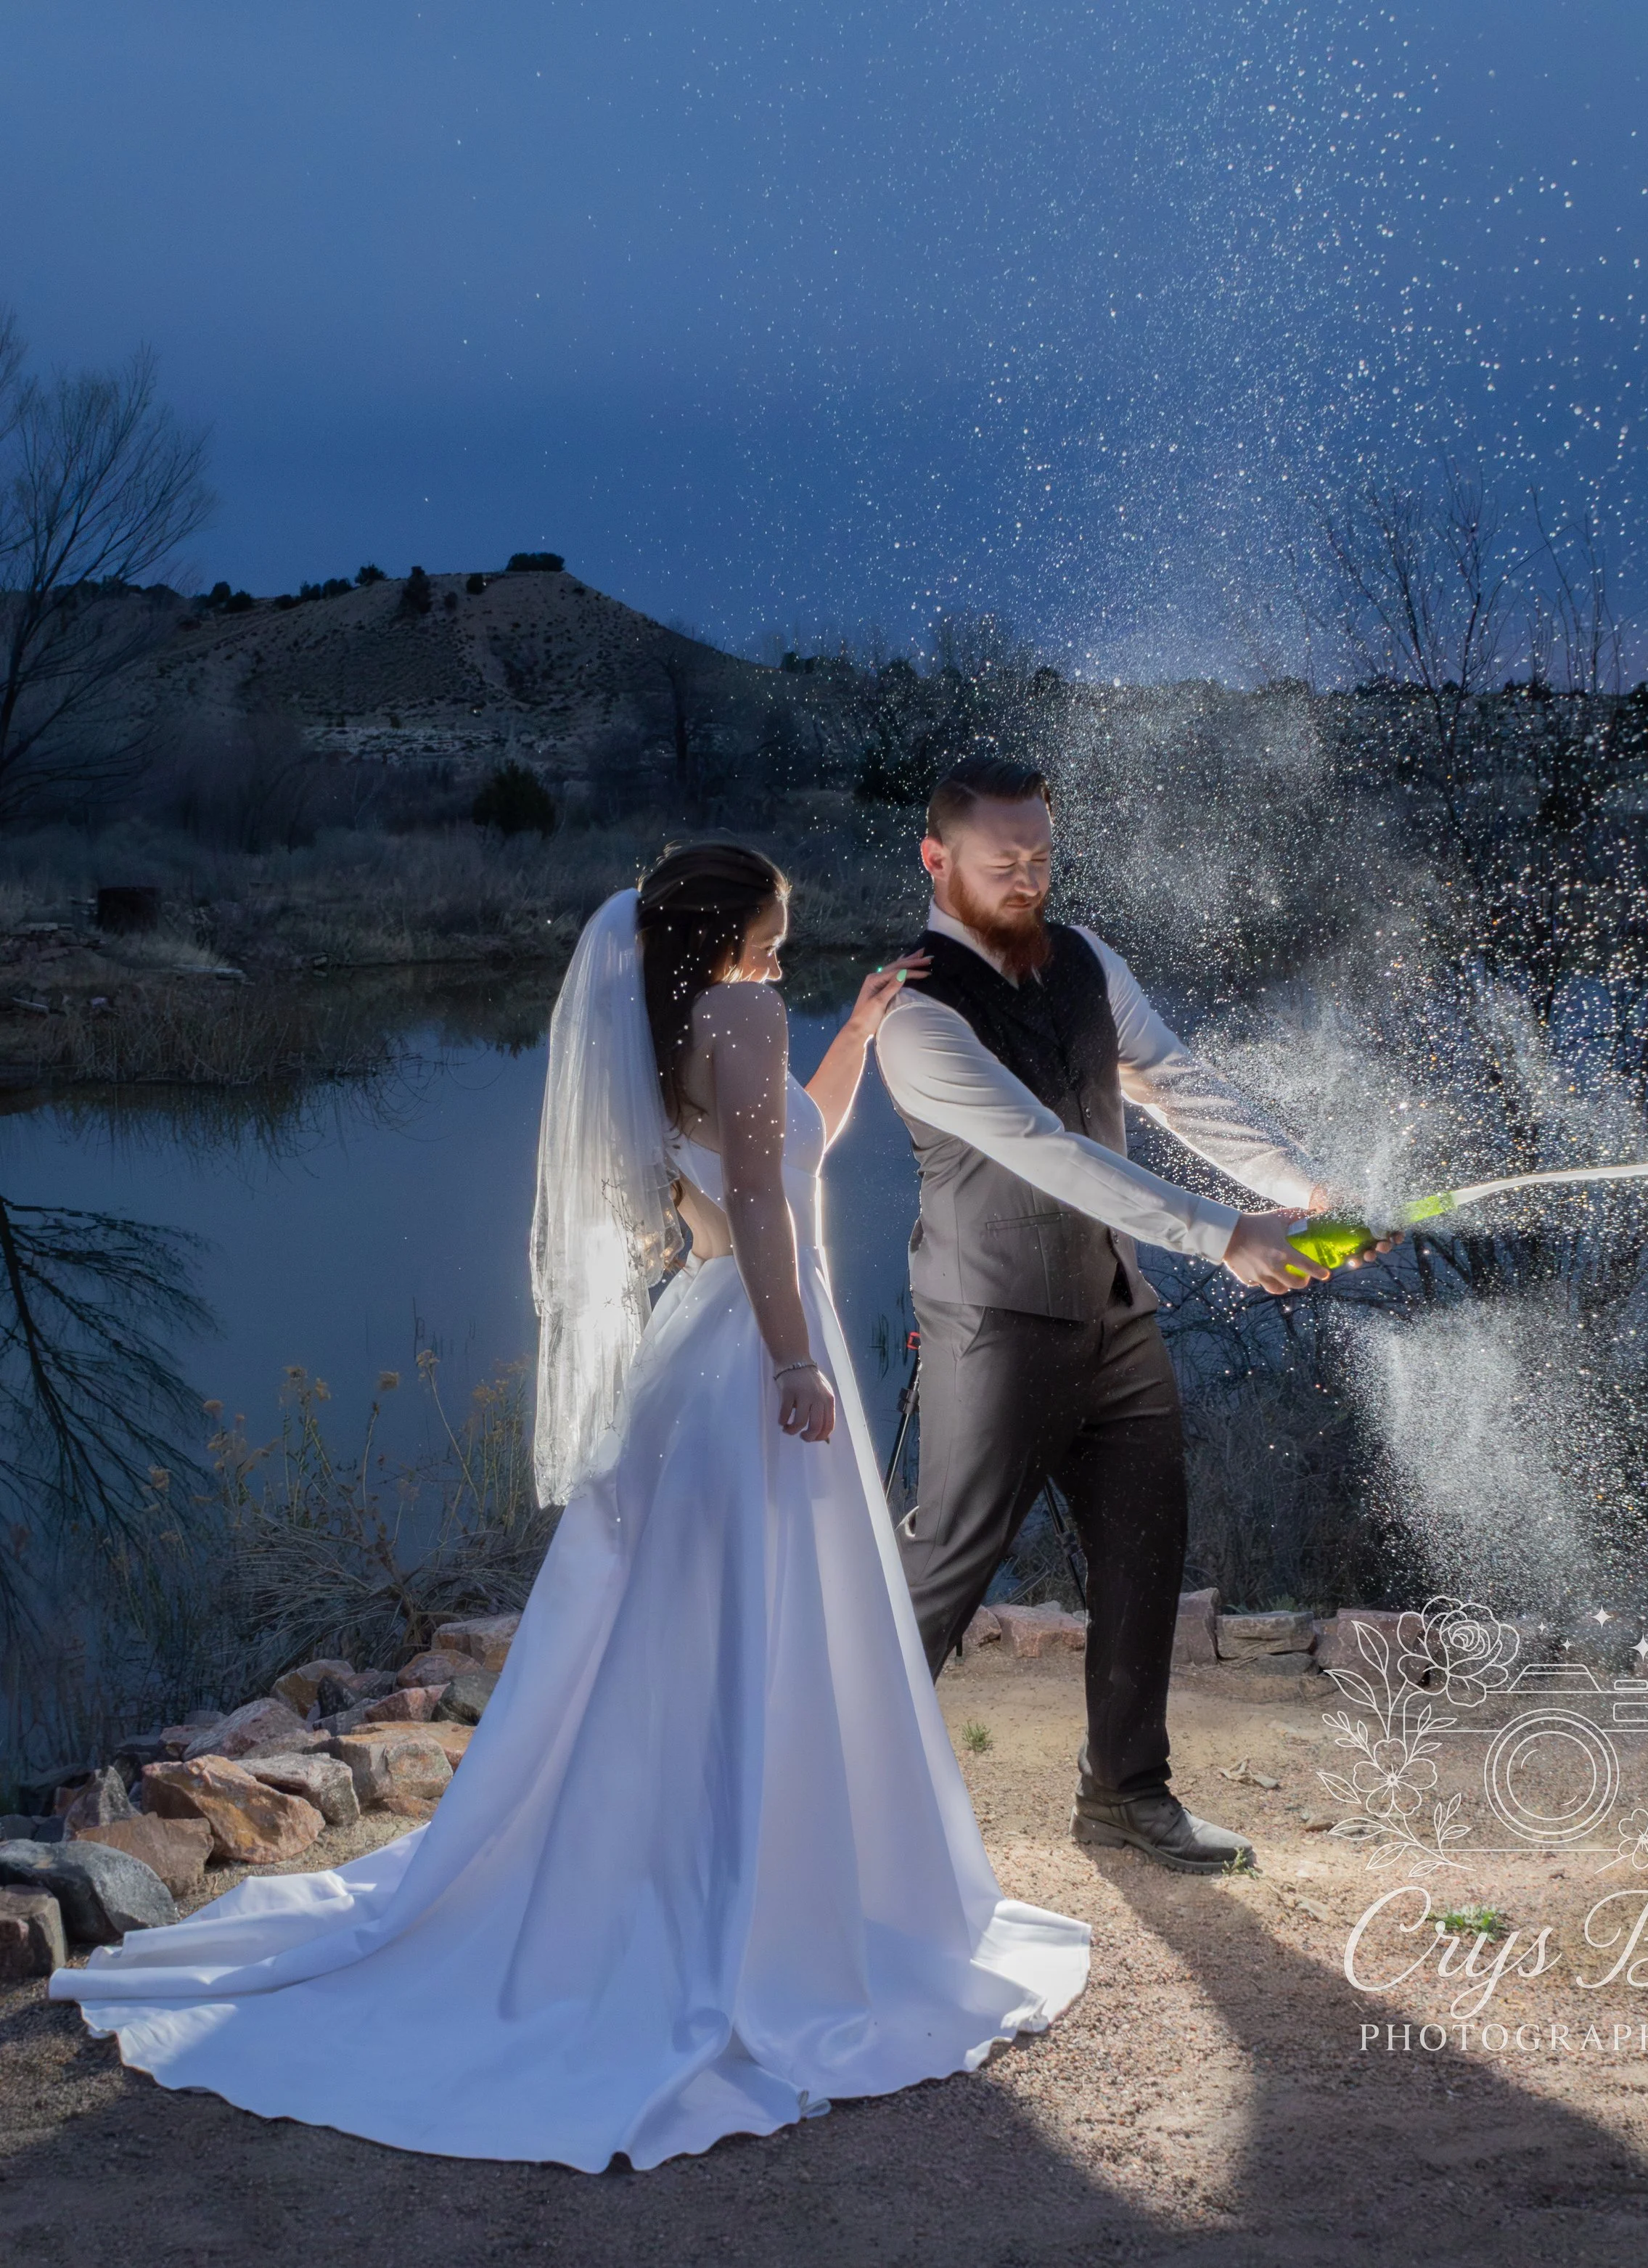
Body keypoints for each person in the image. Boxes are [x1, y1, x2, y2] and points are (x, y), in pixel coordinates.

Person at [49, 843, 1090, 2173]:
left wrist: (864, 1031)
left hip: (695, 1350)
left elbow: (774, 1159)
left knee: (680, 1638)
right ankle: (761, 1908)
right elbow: (767, 1204)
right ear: (736, 933)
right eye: (775, 929)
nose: (787, 947)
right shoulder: (745, 1014)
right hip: (756, 1352)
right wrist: (796, 1364)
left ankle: (669, 1874)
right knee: (769, 1630)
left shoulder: (666, 1029)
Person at [874, 757, 1387, 1874]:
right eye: (1002, 863)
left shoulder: (1088, 960)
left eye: (1042, 859)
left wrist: (1304, 1189)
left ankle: (1124, 1794)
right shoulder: (911, 1015)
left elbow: (1176, 1084)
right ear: (936, 859)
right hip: (992, 1325)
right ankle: (833, 1788)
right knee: (948, 1569)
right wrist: (1226, 1234)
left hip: (1115, 1314)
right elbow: (1049, 1155)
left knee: (1145, 1553)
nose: (1027, 880)